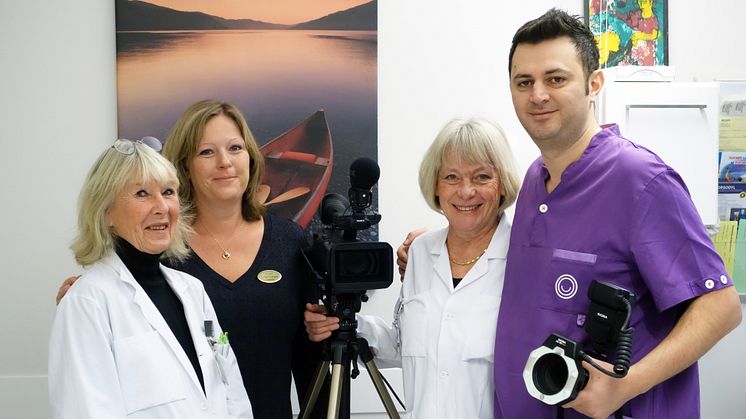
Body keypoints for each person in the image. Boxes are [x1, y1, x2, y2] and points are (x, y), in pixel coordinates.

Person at [399, 9, 742, 419]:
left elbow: (721, 306)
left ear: (594, 84)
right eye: (523, 82)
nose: (538, 95)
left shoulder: (640, 180)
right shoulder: (533, 181)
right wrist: (435, 249)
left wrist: (625, 385)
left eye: (556, 79)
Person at [57, 100, 325, 419]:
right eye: (207, 152)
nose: (224, 162)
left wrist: (326, 324)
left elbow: (230, 384)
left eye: (235, 148)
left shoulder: (192, 289)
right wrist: (82, 300)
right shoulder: (103, 291)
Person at [305, 117, 521, 419]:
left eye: (482, 177)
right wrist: (343, 323)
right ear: (435, 185)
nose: (466, 191)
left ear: (503, 184)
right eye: (452, 177)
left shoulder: (523, 259)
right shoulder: (420, 252)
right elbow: (404, 346)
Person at [49, 138, 253, 419]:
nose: (162, 207)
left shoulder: (193, 291)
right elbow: (86, 411)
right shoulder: (86, 301)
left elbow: (230, 385)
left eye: (168, 192)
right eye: (142, 193)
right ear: (106, 211)